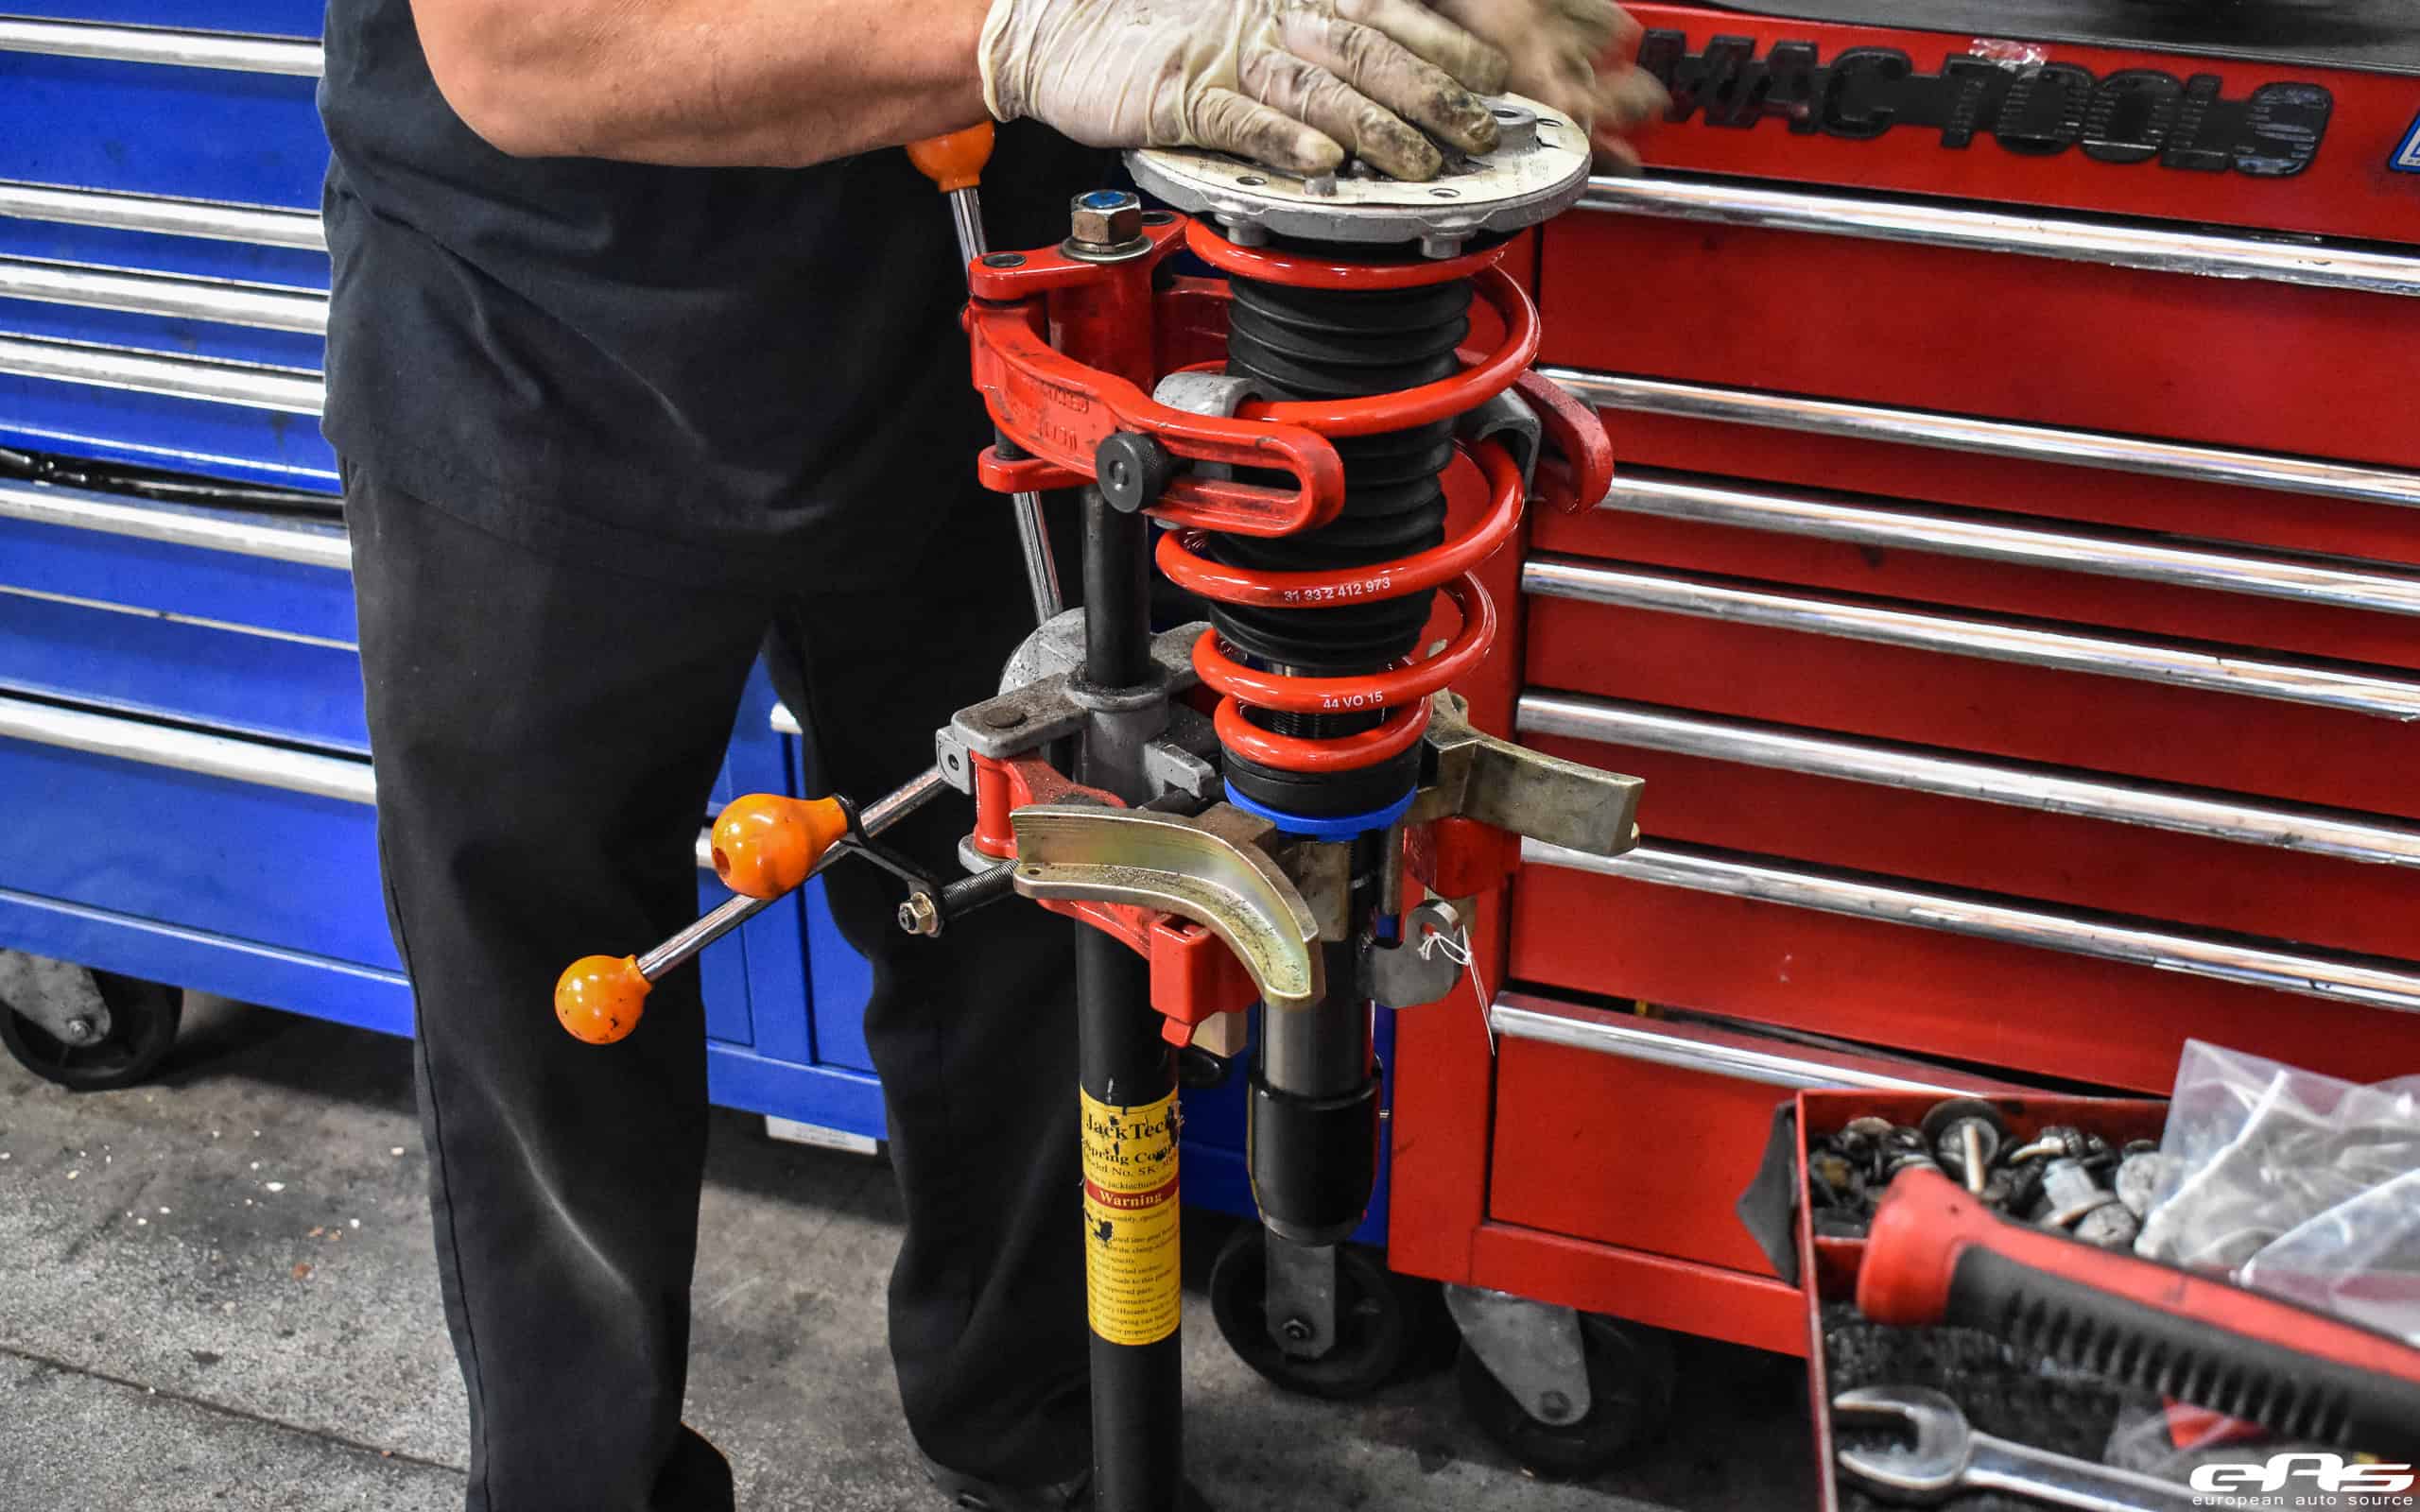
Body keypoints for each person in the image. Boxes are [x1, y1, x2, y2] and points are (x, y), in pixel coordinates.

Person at [317, 1, 1662, 1508]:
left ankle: (1036, 1430)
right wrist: (1021, 31)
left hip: (967, 298)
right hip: (535, 344)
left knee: (1040, 897)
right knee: (544, 973)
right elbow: (516, 47)